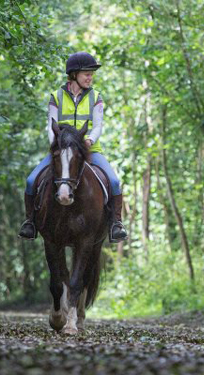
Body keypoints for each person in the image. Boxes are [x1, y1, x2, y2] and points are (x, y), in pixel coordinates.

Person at [19, 52, 128, 243]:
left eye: (91, 74)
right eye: (87, 73)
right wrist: (57, 145)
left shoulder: (96, 97)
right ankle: (30, 222)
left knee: (114, 181)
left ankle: (115, 224)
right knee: (30, 180)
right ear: (74, 74)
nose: (90, 77)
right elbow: (50, 126)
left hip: (90, 151)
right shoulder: (56, 96)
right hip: (61, 151)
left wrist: (89, 141)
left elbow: (98, 125)